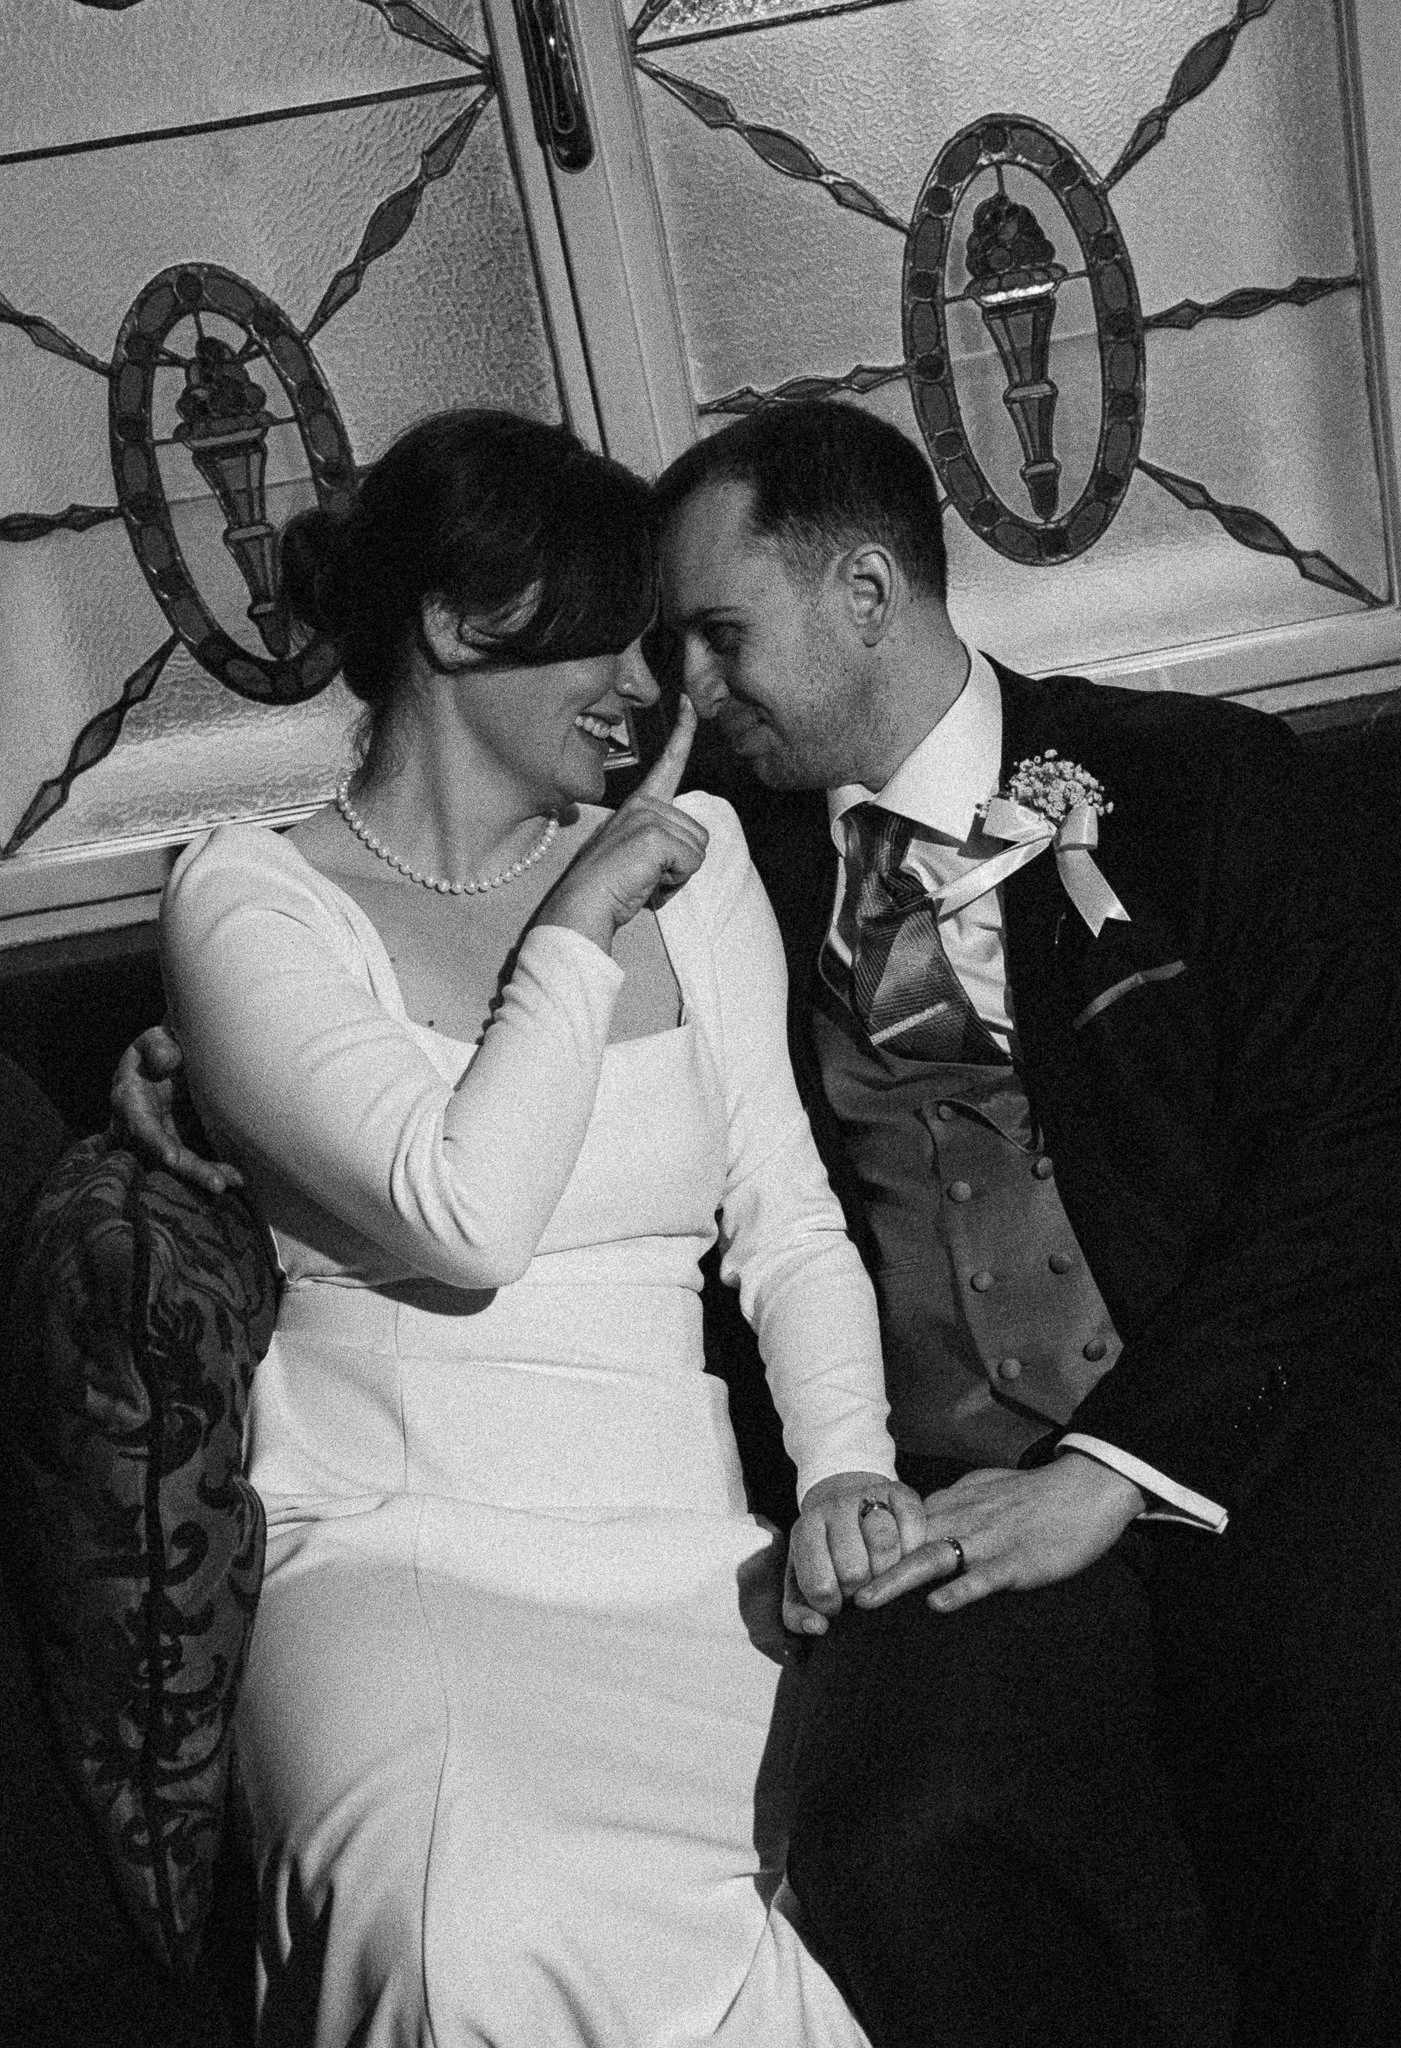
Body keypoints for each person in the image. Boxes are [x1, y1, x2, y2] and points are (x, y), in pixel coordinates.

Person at [640, 401, 1401, 2048]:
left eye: (716, 637)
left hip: (1277, 1436)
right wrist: (200, 1092)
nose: (687, 696)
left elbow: (1353, 1151)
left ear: (862, 593)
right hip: (946, 1495)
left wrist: (1108, 1477)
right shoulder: (711, 880)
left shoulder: (1199, 788)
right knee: (882, 1848)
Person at [142, 407, 926, 2047]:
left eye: (663, 639)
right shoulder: (245, 897)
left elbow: (783, 1214)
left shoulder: (691, 861)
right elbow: (464, 1214)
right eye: (607, 638)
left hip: (685, 1561)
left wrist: (848, 1461)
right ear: (450, 625)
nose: (657, 690)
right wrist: (572, 928)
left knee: (829, 1914)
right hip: (402, 1550)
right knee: (465, 1928)